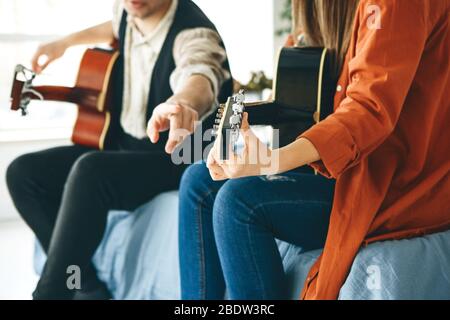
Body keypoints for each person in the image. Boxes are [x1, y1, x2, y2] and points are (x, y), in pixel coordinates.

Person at [178, 0, 450, 300]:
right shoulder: (323, 15)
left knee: (239, 201)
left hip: (389, 183)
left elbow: (368, 109)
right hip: (349, 166)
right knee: (199, 182)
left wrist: (273, 161)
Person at [6, 0, 232, 300]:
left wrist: (183, 103)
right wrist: (65, 43)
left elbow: (201, 74)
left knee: (91, 170)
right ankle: (86, 285)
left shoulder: (195, 33)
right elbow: (115, 25)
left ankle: (51, 294)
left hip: (175, 156)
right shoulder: (130, 8)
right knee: (23, 173)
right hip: (128, 146)